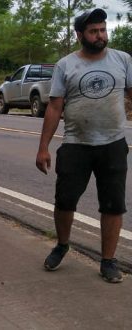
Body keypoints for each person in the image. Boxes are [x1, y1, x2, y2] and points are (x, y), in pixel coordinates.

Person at [36, 8, 130, 283]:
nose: (100, 35)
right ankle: (62, 245)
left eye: (102, 29)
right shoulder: (66, 65)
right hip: (76, 144)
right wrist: (43, 147)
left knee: (113, 205)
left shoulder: (123, 60)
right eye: (93, 31)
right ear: (80, 35)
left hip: (113, 144)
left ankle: (108, 261)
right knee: (65, 202)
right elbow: (54, 107)